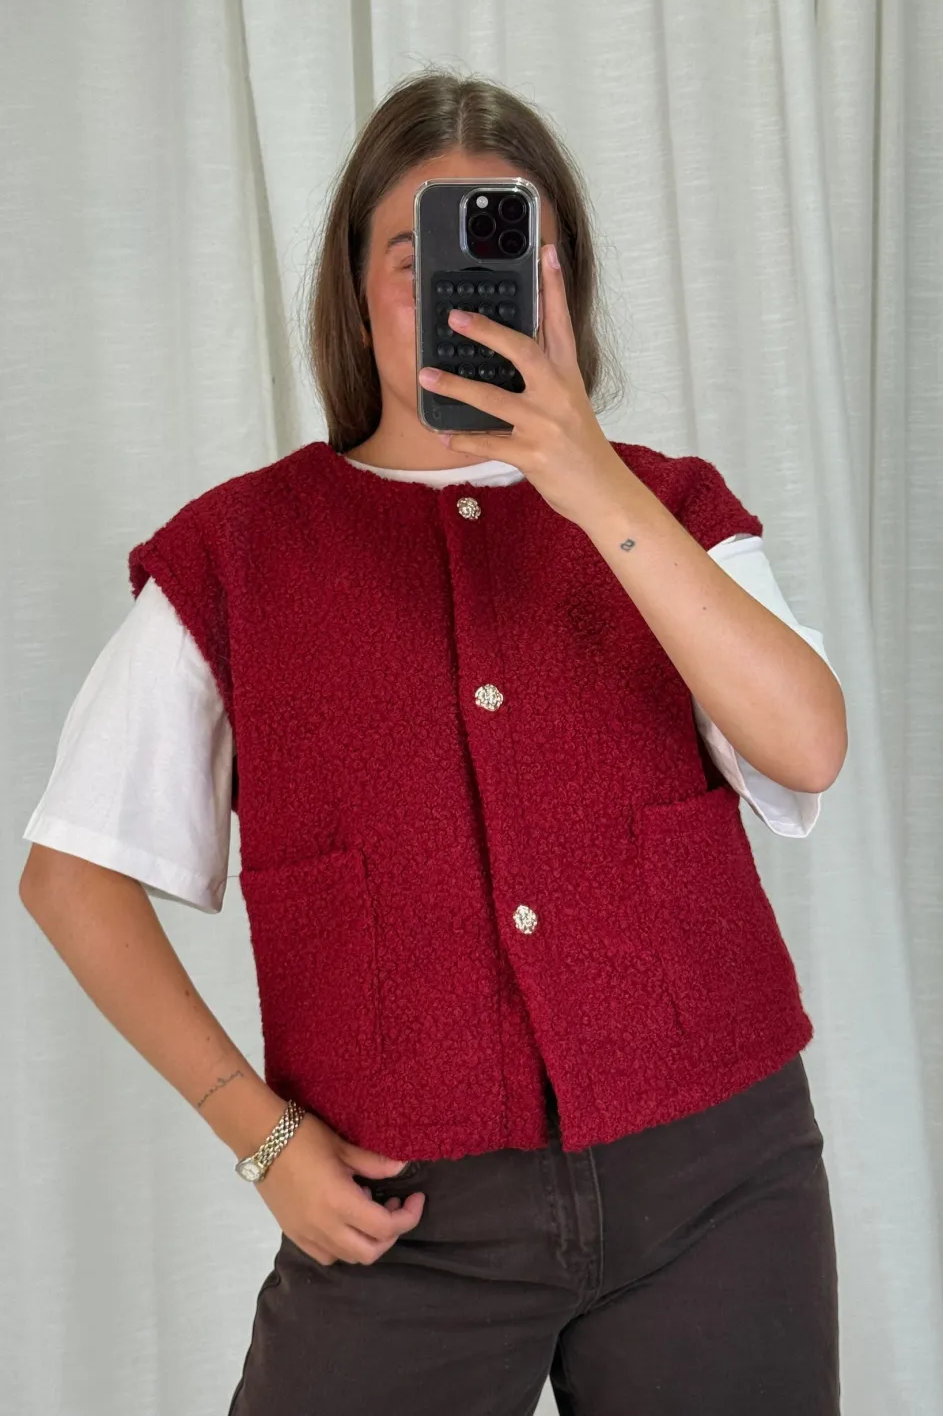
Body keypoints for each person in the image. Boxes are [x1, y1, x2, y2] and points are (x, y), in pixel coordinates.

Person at [19, 68, 846, 1415]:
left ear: (562, 283)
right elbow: (70, 874)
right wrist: (255, 1131)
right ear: (358, 295)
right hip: (402, 1224)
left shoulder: (669, 508)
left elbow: (808, 744)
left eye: (516, 253)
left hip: (720, 1182)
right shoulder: (239, 554)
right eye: (419, 260)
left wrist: (587, 477)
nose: (465, 294)